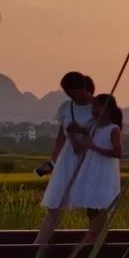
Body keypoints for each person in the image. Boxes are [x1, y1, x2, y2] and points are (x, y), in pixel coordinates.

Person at [35, 72, 96, 245]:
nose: (71, 96)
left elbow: (109, 130)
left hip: (92, 156)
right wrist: (53, 160)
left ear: (83, 88)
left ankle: (93, 245)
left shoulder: (99, 105)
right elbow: (61, 135)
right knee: (54, 204)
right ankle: (38, 246)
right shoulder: (65, 107)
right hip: (68, 157)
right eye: (68, 92)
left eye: (73, 91)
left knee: (94, 205)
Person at [69, 93, 123, 242]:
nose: (93, 110)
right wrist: (73, 134)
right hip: (91, 169)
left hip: (105, 171)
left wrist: (94, 147)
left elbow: (117, 153)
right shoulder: (92, 127)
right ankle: (93, 237)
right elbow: (79, 149)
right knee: (91, 206)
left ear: (106, 109)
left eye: (96, 107)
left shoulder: (113, 129)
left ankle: (97, 238)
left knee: (101, 205)